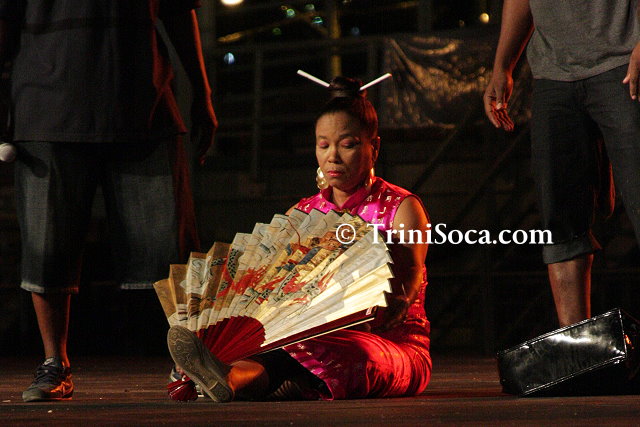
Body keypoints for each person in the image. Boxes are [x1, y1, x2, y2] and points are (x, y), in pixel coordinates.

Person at [0, 1, 217, 402]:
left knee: (170, 248)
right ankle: (54, 362)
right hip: (46, 107)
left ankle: (188, 360)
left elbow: (178, 9)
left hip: (142, 103)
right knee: (47, 249)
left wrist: (202, 92)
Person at [166, 76, 432, 402]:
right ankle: (228, 377)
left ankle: (237, 375)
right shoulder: (303, 214)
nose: (333, 156)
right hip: (304, 339)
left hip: (390, 344)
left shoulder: (402, 208)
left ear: (373, 147)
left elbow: (407, 284)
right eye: (323, 145)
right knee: (281, 342)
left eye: (347, 144)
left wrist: (363, 311)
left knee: (355, 354)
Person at [483, 0, 640, 327]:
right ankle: (575, 345)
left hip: (623, 58)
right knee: (560, 220)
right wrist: (503, 65)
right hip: (553, 74)